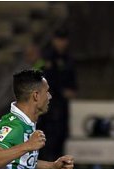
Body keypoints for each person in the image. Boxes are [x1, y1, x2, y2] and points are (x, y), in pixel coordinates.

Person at [37, 28, 78, 162]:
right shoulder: (47, 58)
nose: (61, 43)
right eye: (59, 40)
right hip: (50, 101)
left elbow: (72, 78)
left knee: (62, 131)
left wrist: (73, 90)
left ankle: (58, 158)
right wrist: (61, 90)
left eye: (64, 40)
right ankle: (45, 159)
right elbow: (45, 79)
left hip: (63, 102)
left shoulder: (69, 58)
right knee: (49, 130)